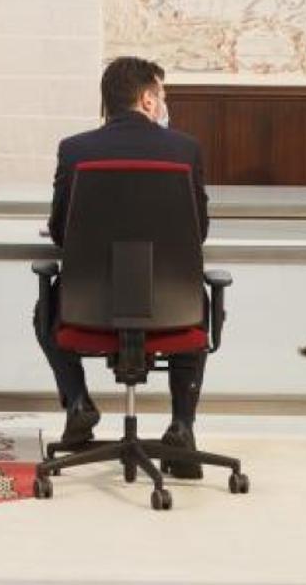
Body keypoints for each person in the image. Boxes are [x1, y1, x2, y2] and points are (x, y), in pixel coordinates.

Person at [36, 56, 211, 478]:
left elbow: (61, 233)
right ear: (148, 100)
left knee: (45, 311)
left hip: (87, 307)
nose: (164, 104)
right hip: (171, 309)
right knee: (201, 305)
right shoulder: (185, 149)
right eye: (163, 96)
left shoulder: (75, 149)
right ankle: (182, 429)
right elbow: (198, 232)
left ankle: (78, 402)